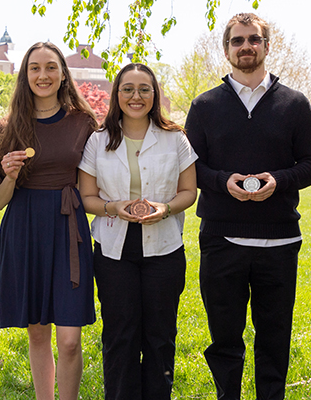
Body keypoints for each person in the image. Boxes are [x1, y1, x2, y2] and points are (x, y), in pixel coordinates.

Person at [184, 12, 311, 400]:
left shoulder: (295, 104)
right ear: (226, 49)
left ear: (266, 45)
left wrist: (278, 181)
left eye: (254, 39)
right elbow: (191, 167)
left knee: (274, 339)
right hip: (222, 240)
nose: (246, 46)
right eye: (237, 40)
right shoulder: (204, 105)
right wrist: (222, 181)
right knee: (225, 340)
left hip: (279, 242)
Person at [78, 63, 198, 399]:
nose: (136, 96)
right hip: (114, 253)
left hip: (165, 250)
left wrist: (166, 209)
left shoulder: (175, 138)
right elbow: (87, 197)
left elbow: (189, 192)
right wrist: (113, 207)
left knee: (160, 338)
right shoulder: (98, 141)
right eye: (128, 89)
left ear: (154, 95)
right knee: (120, 336)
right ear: (117, 95)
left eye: (144, 89)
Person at [0, 41, 97, 400]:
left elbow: (93, 182)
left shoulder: (83, 122)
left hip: (68, 227)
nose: (43, 75)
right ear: (24, 75)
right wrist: (10, 176)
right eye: (34, 68)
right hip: (24, 229)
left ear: (63, 73)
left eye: (51, 67)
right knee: (38, 332)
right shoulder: (6, 127)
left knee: (69, 339)